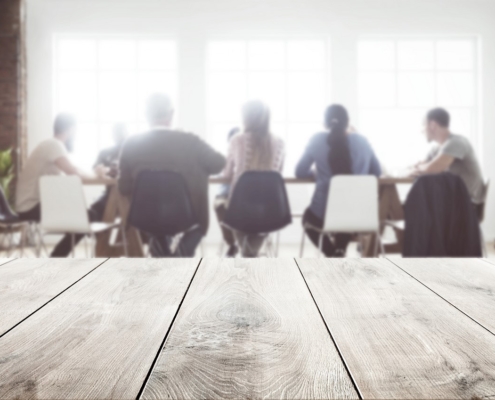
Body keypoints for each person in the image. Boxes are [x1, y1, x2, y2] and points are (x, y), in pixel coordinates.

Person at [119, 93, 226, 257]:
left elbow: (124, 187)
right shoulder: (190, 141)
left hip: (145, 215)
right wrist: (195, 169)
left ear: (146, 115)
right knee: (195, 225)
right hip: (187, 216)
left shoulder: (131, 143)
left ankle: (163, 252)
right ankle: (180, 253)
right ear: (171, 114)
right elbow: (219, 163)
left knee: (157, 227)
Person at [16, 113, 108, 257]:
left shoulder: (51, 145)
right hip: (31, 206)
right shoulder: (54, 145)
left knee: (87, 216)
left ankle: (58, 257)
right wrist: (96, 174)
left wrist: (94, 173)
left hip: (33, 204)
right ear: (71, 129)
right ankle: (57, 258)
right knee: (87, 217)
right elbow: (72, 172)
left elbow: (73, 170)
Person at [296, 104, 381, 257]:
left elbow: (300, 171)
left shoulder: (317, 140)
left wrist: (316, 173)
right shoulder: (362, 141)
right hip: (359, 213)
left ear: (324, 123)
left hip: (323, 214)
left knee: (307, 219)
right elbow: (376, 172)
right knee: (346, 211)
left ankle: (331, 253)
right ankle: (340, 249)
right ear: (347, 122)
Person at [221, 100, 285, 257]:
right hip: (270, 207)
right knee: (255, 233)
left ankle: (247, 254)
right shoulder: (280, 143)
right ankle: (249, 254)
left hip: (239, 206)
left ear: (246, 118)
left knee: (221, 206)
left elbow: (227, 174)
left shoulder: (237, 140)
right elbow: (278, 176)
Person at [412, 107, 485, 208]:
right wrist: (420, 167)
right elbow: (420, 165)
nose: (421, 130)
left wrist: (421, 168)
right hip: (451, 201)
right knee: (414, 204)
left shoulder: (456, 143)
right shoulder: (437, 148)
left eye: (423, 125)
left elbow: (430, 168)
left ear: (433, 125)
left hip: (467, 205)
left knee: (414, 205)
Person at [91, 123, 129, 221]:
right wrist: (102, 170)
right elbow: (96, 169)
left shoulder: (133, 152)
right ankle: (70, 236)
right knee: (92, 212)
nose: (119, 135)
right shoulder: (105, 153)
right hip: (109, 194)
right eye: (116, 132)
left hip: (131, 195)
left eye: (121, 132)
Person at [214, 127, 240, 257]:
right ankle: (232, 244)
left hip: (245, 196)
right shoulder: (223, 159)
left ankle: (245, 242)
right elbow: (220, 175)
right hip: (225, 195)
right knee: (220, 206)